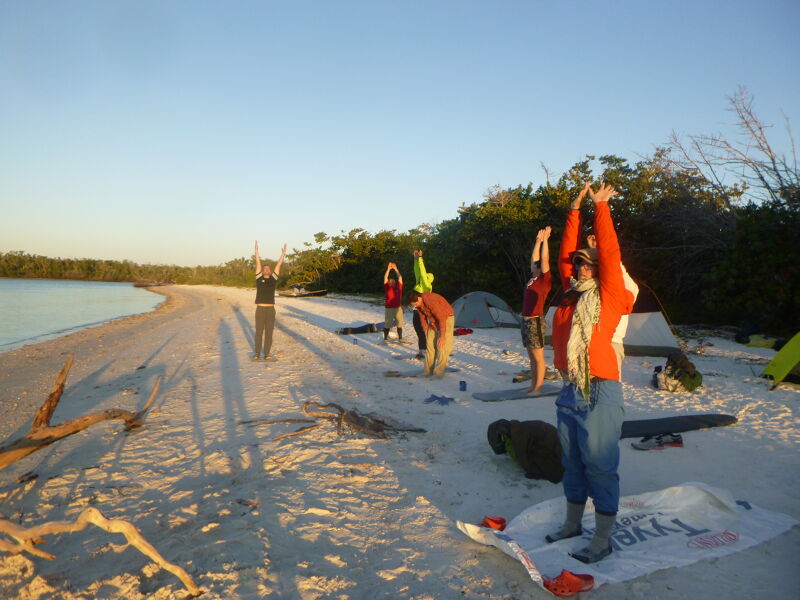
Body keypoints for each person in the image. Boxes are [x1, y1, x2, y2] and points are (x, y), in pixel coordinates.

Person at [545, 182, 627, 564]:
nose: (579, 266)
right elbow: (563, 258)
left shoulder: (609, 295)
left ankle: (603, 539)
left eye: (587, 263)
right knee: (572, 463)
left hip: (600, 389)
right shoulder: (569, 294)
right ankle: (572, 524)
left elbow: (609, 254)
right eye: (578, 262)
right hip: (568, 389)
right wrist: (573, 211)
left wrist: (601, 208)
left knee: (600, 466)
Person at [587, 234, 639, 367]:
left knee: (610, 385)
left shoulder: (628, 290)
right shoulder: (601, 289)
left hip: (613, 343)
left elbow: (616, 268)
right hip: (593, 341)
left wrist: (605, 252)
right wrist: (594, 250)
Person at [521, 226, 553, 394]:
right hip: (525, 320)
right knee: (531, 356)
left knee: (538, 356)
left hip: (536, 320)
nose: (534, 266)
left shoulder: (544, 280)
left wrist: (546, 240)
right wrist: (537, 241)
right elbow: (535, 258)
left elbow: (544, 258)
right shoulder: (533, 278)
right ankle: (532, 385)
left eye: (537, 266)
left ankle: (538, 388)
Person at [253, 240, 287, 361]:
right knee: (259, 332)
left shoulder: (273, 279)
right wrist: (256, 252)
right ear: (262, 271)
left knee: (269, 333)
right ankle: (257, 353)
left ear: (270, 271)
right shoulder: (258, 278)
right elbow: (257, 262)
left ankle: (267, 354)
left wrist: (283, 254)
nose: (266, 269)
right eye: (264, 268)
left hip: (271, 309)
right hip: (260, 309)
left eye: (268, 268)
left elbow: (279, 265)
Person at [408, 290, 454, 377]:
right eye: (412, 305)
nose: (414, 306)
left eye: (414, 304)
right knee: (430, 346)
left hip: (446, 318)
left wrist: (442, 336)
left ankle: (439, 373)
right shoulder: (418, 304)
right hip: (433, 321)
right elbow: (422, 317)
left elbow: (441, 318)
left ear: (418, 299)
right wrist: (426, 329)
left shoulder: (430, 300)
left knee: (442, 346)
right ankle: (427, 371)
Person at [412, 250, 435, 360]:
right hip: (416, 309)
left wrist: (420, 258)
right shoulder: (419, 283)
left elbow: (421, 270)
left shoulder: (426, 286)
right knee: (418, 329)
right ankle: (422, 351)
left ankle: (424, 352)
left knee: (422, 330)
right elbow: (417, 271)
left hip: (422, 311)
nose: (422, 276)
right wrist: (416, 259)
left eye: (425, 276)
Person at [382, 262, 404, 343]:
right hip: (389, 309)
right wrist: (388, 269)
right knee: (387, 325)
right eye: (390, 279)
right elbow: (385, 277)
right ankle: (385, 339)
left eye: (392, 279)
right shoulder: (387, 287)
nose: (391, 279)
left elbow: (400, 277)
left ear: (395, 281)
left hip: (398, 308)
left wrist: (395, 268)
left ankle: (400, 338)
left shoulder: (399, 287)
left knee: (399, 324)